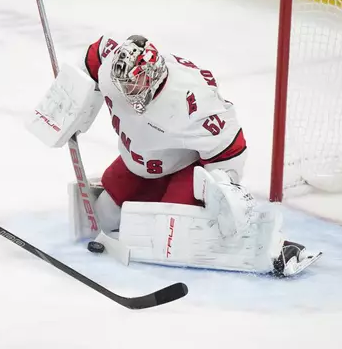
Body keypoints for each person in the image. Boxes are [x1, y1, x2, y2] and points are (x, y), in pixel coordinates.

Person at [27, 34, 321, 277]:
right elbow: (93, 57)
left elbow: (230, 147)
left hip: (186, 168)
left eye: (134, 85)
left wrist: (220, 193)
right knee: (103, 217)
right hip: (140, 160)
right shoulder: (112, 68)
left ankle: (260, 244)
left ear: (154, 76)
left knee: (167, 234)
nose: (126, 92)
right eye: (123, 85)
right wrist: (69, 104)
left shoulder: (191, 104)